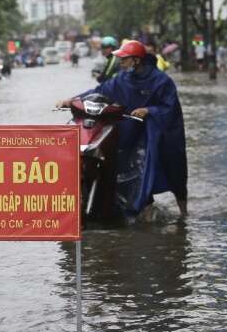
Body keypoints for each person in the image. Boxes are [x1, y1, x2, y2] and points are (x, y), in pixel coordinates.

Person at [56, 40, 187, 218]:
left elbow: (170, 108)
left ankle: (183, 212)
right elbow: (99, 91)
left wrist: (148, 110)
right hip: (130, 132)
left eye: (124, 59)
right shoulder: (122, 79)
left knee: (173, 170)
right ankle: (143, 208)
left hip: (155, 133)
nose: (121, 62)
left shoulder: (162, 81)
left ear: (136, 60)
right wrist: (71, 100)